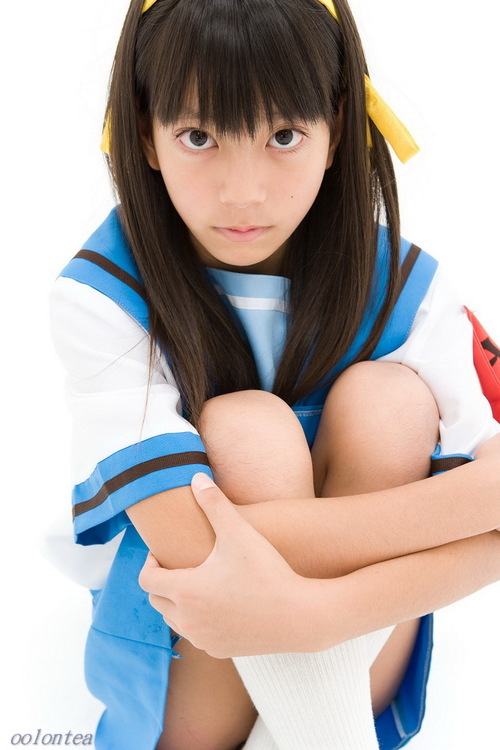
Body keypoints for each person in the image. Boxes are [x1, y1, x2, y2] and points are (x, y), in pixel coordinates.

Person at [49, 0, 500, 748]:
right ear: (144, 133)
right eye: (199, 136)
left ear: (338, 127)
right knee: (247, 428)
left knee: (389, 402)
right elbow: (195, 548)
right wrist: (463, 509)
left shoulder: (410, 290)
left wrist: (324, 614)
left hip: (360, 638)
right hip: (197, 642)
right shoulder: (105, 295)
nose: (244, 192)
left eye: (284, 135)